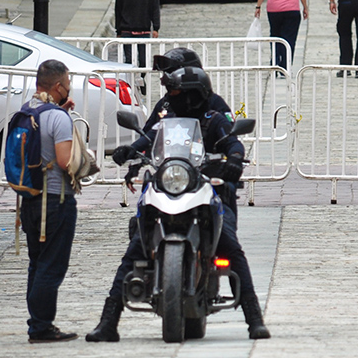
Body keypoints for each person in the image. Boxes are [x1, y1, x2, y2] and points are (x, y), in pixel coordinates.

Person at [89, 63, 270, 342]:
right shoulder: (169, 118)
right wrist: (131, 150)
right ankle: (108, 322)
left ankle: (254, 319)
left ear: (190, 94)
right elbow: (150, 138)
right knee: (136, 246)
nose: (170, 96)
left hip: (206, 189)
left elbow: (232, 142)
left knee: (230, 246)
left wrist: (234, 159)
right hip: (170, 189)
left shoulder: (214, 117)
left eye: (174, 92)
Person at [17, 60, 79, 343]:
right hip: (56, 201)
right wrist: (85, 162)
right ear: (58, 86)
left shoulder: (27, 110)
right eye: (68, 84)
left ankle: (37, 323)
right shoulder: (58, 118)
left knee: (37, 263)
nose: (69, 89)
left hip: (30, 200)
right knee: (51, 266)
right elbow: (65, 161)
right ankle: (41, 327)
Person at [114, 0, 160, 68]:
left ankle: (142, 82)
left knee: (143, 61)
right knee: (128, 61)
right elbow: (118, 10)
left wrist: (156, 28)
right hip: (126, 30)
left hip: (143, 31)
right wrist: (119, 30)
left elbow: (155, 9)